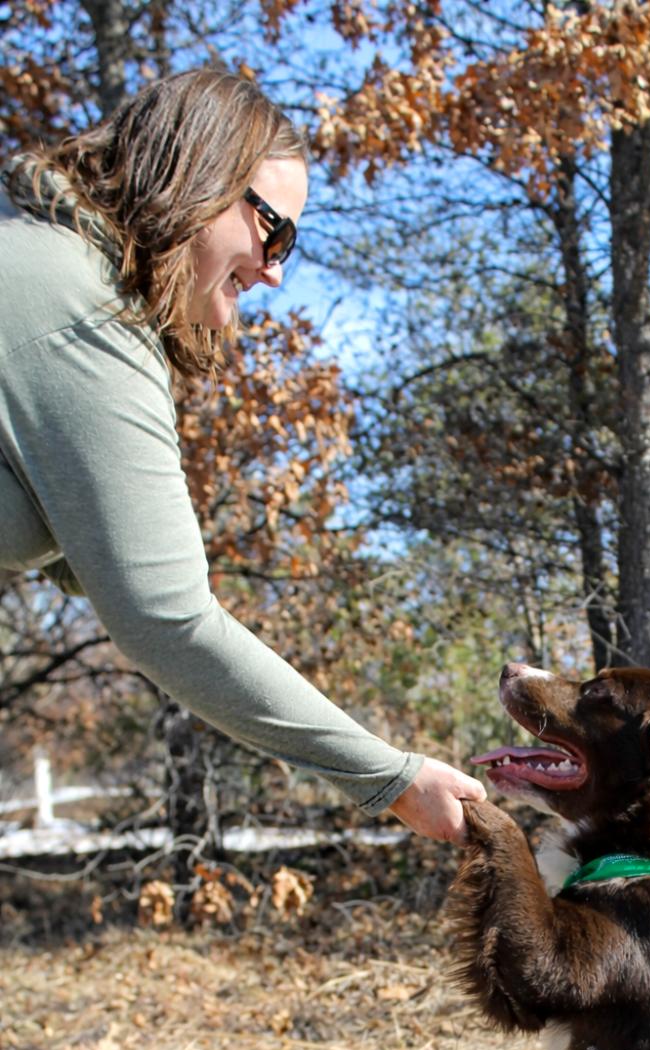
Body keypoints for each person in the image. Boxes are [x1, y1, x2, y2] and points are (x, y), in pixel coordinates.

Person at [0, 68, 485, 842]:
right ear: (198, 177)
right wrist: (390, 776)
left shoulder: (38, 254)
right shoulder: (81, 315)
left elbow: (107, 569)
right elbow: (169, 618)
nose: (275, 269)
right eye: (273, 228)